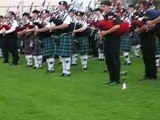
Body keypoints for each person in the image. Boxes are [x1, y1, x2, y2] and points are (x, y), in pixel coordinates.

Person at [98, 1, 121, 85]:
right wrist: (100, 33)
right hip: (106, 39)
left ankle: (116, 79)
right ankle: (111, 78)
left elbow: (117, 26)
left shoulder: (114, 15)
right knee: (108, 59)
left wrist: (106, 32)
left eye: (104, 6)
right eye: (102, 6)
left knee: (114, 58)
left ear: (109, 6)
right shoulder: (104, 16)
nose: (103, 8)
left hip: (114, 39)